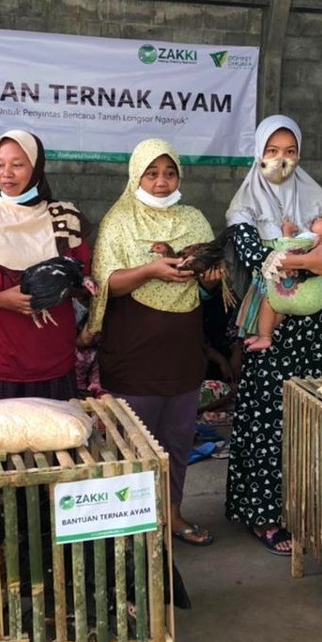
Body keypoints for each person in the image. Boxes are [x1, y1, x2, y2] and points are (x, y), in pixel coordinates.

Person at [90, 139, 221, 547]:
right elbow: (107, 281)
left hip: (182, 347)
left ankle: (173, 513)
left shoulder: (194, 219)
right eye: (152, 173)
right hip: (134, 349)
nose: (162, 182)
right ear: (136, 175)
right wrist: (149, 270)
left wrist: (210, 279)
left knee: (177, 440)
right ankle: (131, 527)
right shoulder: (119, 220)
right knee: (133, 441)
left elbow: (210, 280)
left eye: (169, 173)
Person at [224, 115, 322, 555]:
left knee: (316, 420)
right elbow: (255, 257)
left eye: (290, 151)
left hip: (318, 329)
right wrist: (310, 261)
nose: (281, 160)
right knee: (270, 423)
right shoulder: (244, 206)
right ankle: (266, 515)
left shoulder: (316, 197)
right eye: (272, 151)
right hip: (272, 328)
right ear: (259, 154)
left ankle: (309, 511)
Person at [0, 130, 91, 403]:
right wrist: (2, 300)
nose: (7, 174)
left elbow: (84, 280)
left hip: (53, 362)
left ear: (36, 167)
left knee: (56, 429)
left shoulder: (65, 217)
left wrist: (57, 288)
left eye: (18, 165)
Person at [244, 208, 322, 352]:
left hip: (298, 294)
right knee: (280, 308)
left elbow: (288, 249)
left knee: (270, 302)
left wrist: (287, 233)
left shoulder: (313, 238)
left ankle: (265, 336)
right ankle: (267, 334)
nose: (318, 217)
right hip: (317, 301)